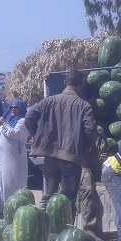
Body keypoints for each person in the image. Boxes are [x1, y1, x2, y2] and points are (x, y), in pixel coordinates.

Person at [25, 68, 97, 210]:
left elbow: (29, 117)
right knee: (68, 201)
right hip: (71, 158)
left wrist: (35, 135)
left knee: (46, 198)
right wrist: (85, 148)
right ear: (80, 85)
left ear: (65, 83)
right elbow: (91, 132)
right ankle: (64, 231)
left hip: (50, 156)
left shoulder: (49, 101)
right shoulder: (84, 106)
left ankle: (44, 230)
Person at [0, 98, 29, 215]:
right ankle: (2, 210)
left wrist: (4, 124)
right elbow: (2, 136)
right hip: (1, 160)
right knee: (0, 182)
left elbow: (15, 134)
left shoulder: (23, 122)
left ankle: (13, 212)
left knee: (11, 184)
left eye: (16, 107)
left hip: (13, 160)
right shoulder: (8, 120)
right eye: (11, 107)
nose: (13, 109)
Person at [76, 125, 108, 241]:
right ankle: (89, 228)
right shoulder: (67, 125)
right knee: (87, 187)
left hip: (88, 165)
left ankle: (90, 230)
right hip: (70, 163)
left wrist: (103, 158)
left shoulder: (96, 130)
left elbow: (103, 155)